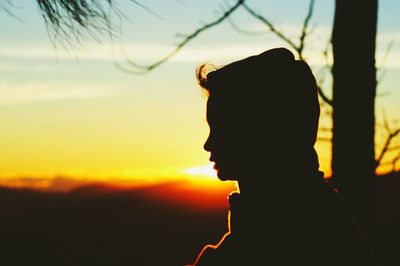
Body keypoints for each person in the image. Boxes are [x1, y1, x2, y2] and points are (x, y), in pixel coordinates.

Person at [188, 48, 376, 266]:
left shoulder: (288, 233)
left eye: (221, 129)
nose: (208, 144)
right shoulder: (309, 215)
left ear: (261, 132)